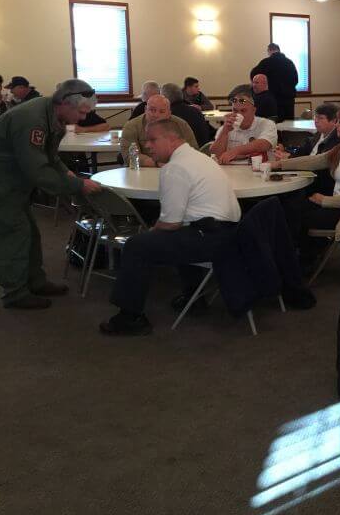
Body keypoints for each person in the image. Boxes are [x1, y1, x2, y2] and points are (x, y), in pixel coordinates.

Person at [99, 119, 241, 336]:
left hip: (212, 238)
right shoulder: (199, 158)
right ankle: (194, 297)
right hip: (229, 233)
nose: (148, 145)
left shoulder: (175, 168)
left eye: (153, 140)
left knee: (137, 245)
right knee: (181, 231)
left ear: (172, 139)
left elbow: (170, 223)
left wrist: (151, 232)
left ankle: (130, 318)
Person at [0, 80, 102, 310]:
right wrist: (78, 185)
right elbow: (38, 170)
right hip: (3, 186)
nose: (83, 118)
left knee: (30, 233)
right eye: (81, 112)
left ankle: (35, 282)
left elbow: (50, 156)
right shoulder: (31, 120)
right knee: (14, 235)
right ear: (65, 103)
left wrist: (66, 172)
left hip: (14, 183)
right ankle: (15, 294)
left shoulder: (52, 115)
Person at [274, 107, 340, 256]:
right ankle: (297, 254)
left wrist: (324, 200)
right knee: (290, 208)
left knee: (296, 216)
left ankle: (302, 256)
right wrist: (280, 164)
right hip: (336, 203)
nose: (336, 125)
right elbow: (315, 160)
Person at [121, 94, 197, 167]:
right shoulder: (131, 126)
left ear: (169, 113)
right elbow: (129, 156)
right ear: (145, 110)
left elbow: (193, 151)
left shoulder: (181, 125)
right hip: (143, 172)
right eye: (152, 110)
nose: (156, 115)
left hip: (176, 169)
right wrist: (157, 164)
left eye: (162, 111)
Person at [209, 85, 278, 164]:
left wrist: (235, 151)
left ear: (253, 110)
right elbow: (215, 154)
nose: (239, 114)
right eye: (235, 110)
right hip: (231, 169)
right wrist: (224, 132)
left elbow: (264, 144)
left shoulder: (267, 124)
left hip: (258, 168)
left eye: (243, 111)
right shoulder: (226, 128)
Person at [250, 42, 298, 121]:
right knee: (288, 123)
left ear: (269, 51)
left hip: (272, 99)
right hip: (288, 100)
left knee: (273, 124)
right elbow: (295, 80)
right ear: (279, 50)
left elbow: (253, 75)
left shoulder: (265, 63)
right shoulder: (289, 63)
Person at [161, 82, 211, 147]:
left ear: (165, 98)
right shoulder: (196, 110)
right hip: (203, 150)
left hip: (186, 151)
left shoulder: (170, 115)